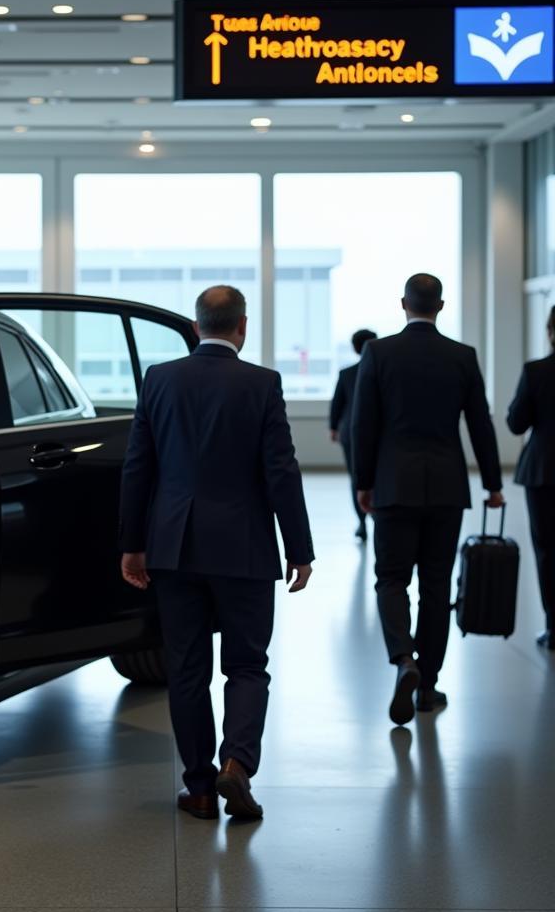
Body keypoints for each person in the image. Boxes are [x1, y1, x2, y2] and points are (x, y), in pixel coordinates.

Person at [119, 286, 314, 822]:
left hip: (174, 548)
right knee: (248, 665)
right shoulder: (262, 384)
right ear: (242, 327)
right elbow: (281, 472)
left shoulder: (160, 379)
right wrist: (299, 549)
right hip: (245, 549)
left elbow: (139, 467)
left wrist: (132, 546)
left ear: (196, 324)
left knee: (186, 669)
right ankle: (238, 764)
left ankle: (200, 789)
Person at [351, 274, 503, 726]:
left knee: (392, 579)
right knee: (437, 586)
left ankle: (404, 660)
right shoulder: (461, 356)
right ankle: (428, 687)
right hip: (446, 487)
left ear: (403, 304)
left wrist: (363, 482)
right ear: (441, 305)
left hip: (393, 485)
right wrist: (493, 484)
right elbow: (480, 424)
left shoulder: (379, 353)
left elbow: (363, 424)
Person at [507, 306, 555, 651]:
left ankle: (554, 626)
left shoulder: (537, 371)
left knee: (547, 550)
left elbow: (516, 423)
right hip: (543, 472)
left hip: (545, 472)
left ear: (550, 330)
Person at [329, 328, 378, 542]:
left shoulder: (347, 373)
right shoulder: (381, 371)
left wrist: (333, 427)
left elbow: (337, 403)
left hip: (350, 432)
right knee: (376, 477)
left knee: (356, 478)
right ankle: (376, 517)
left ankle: (361, 523)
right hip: (378, 432)